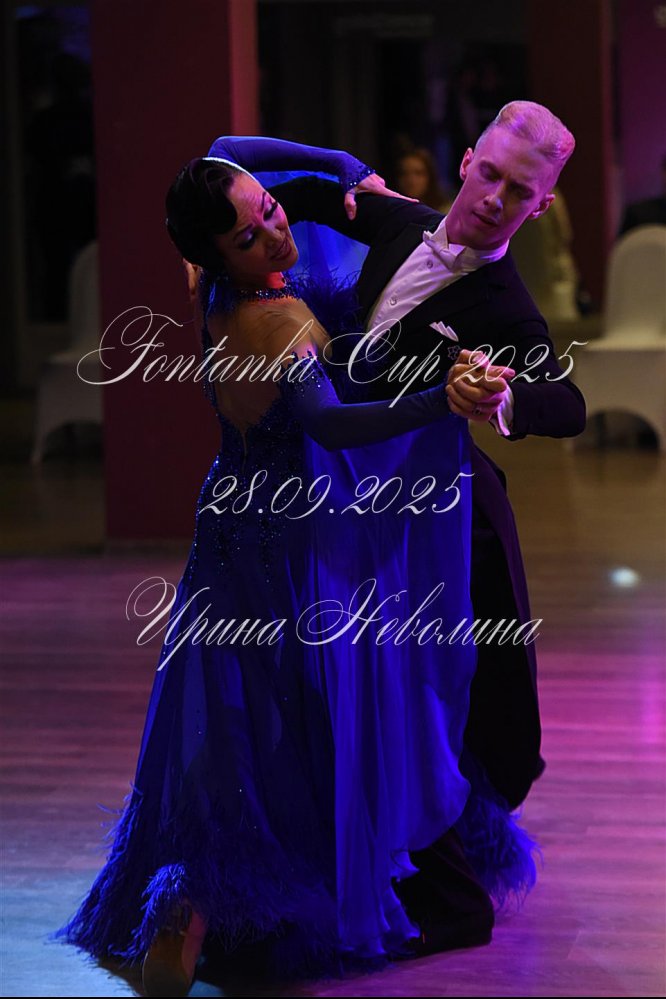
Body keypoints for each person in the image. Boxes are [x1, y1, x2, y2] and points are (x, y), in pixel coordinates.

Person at [55, 146, 533, 995]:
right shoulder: (274, 322)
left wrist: (341, 166)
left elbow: (228, 154)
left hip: (225, 521)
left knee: (227, 719)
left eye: (271, 211)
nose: (276, 233)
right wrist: (441, 399)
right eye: (250, 236)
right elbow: (334, 426)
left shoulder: (210, 289)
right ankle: (241, 897)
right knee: (288, 720)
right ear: (217, 255)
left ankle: (191, 902)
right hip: (285, 538)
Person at [207, 99, 586, 953]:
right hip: (345, 498)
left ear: (540, 206)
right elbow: (243, 168)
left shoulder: (505, 304)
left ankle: (442, 889)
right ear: (468, 162)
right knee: (346, 687)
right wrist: (340, 166)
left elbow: (568, 403)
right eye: (490, 174)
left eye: (519, 192)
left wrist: (505, 397)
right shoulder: (393, 216)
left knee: (435, 696)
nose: (495, 199)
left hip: (439, 516)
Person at [394, 146, 454, 213]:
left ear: (430, 176)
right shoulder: (392, 212)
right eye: (404, 173)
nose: (411, 180)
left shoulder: (446, 213)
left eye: (418, 173)